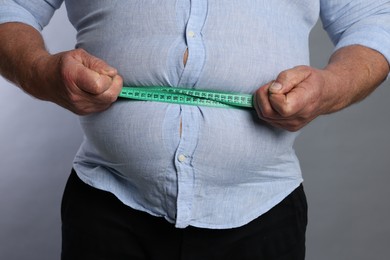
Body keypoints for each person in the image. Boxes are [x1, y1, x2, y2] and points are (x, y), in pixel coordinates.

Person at [0, 1, 389, 259]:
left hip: (263, 211)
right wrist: (40, 71)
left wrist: (331, 87)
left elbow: (373, 22)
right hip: (107, 207)